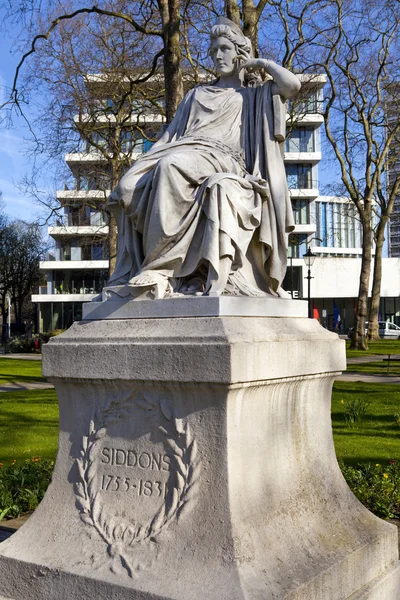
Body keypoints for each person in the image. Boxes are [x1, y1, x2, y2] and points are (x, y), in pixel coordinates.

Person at [107, 17, 301, 299]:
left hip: (222, 158)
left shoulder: (252, 95)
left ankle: (160, 269)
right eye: (213, 51)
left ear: (239, 53)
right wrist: (140, 165)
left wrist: (263, 65)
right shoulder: (196, 94)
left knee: (170, 167)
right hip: (184, 149)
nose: (217, 56)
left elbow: (292, 86)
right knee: (128, 187)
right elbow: (169, 138)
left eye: (224, 48)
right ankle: (178, 272)